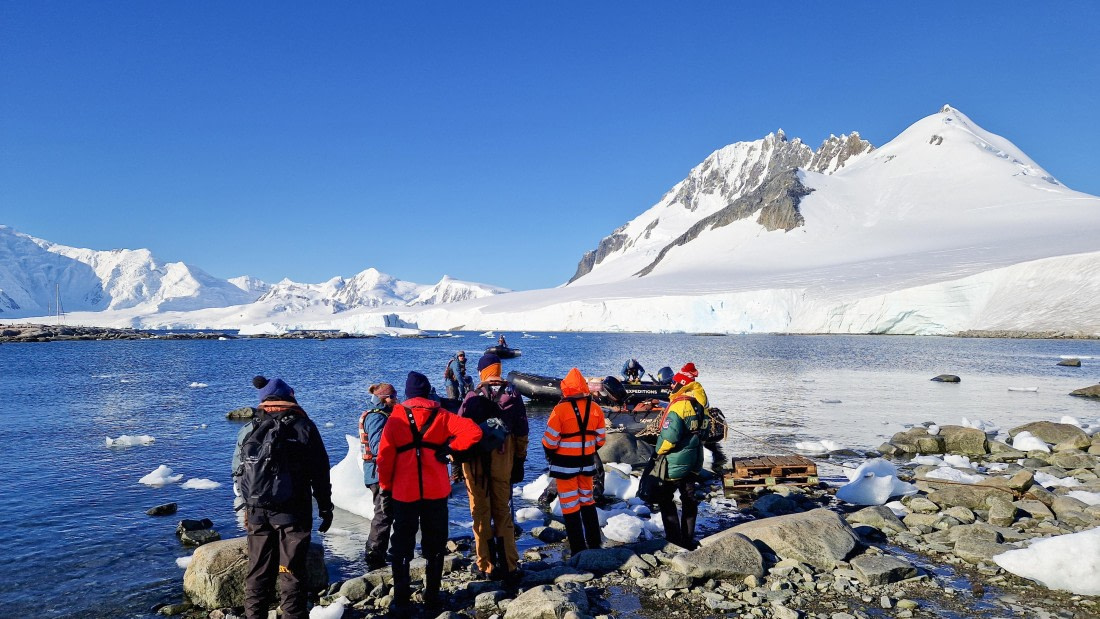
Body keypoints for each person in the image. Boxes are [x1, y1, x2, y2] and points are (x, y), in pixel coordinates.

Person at [376, 371, 482, 614]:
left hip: (404, 493)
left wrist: (386, 488)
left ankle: (401, 600)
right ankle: (432, 598)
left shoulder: (396, 419)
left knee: (402, 545)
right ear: (427, 392)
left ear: (407, 394)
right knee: (434, 544)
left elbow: (384, 459)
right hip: (436, 491)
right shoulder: (442, 415)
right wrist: (449, 448)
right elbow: (473, 432)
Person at [238, 376, 333, 619]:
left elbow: (239, 471)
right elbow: (320, 471)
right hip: (293, 512)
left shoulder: (250, 427)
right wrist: (325, 507)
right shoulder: (304, 426)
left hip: (257, 510)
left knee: (257, 569)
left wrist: (245, 508)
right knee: (290, 570)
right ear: (289, 396)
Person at [457, 353, 529, 583]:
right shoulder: (513, 396)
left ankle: (486, 566)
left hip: (475, 465)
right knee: (503, 513)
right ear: (497, 369)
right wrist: (519, 462)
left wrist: (456, 467)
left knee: (480, 513)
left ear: (482, 372)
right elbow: (522, 434)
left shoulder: (471, 397)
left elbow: (459, 433)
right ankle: (509, 565)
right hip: (503, 460)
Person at [542, 368, 606, 555]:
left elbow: (550, 440)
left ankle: (578, 549)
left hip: (564, 466)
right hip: (586, 464)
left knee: (570, 506)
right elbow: (601, 439)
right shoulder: (595, 409)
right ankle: (594, 544)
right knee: (587, 501)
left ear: (566, 388)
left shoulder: (560, 410)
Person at [652, 371, 705, 549]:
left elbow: (669, 436)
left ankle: (674, 539)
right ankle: (688, 538)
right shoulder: (699, 402)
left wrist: (659, 451)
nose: (670, 386)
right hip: (694, 456)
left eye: (674, 383)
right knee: (689, 496)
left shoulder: (678, 405)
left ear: (681, 385)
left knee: (665, 497)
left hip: (677, 458)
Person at [359, 382, 397, 571]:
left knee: (387, 513)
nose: (396, 399)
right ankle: (374, 555)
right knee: (383, 514)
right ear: (384, 398)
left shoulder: (380, 415)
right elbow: (377, 446)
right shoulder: (376, 417)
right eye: (393, 396)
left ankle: (381, 551)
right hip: (378, 473)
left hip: (377, 472)